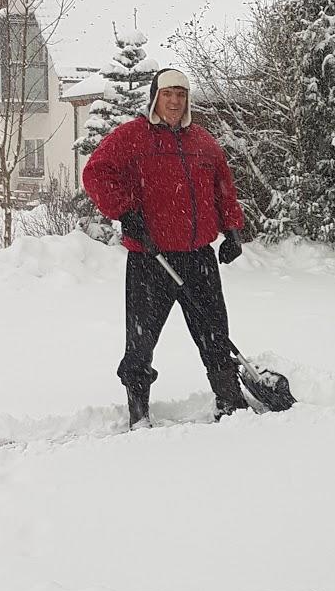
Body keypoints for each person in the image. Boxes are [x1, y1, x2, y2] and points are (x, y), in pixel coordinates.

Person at [82, 67, 248, 428]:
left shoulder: (202, 142)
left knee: (215, 334)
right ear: (155, 96)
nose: (175, 101)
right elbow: (95, 173)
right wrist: (126, 211)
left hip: (198, 257)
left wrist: (232, 230)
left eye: (181, 95)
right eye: (168, 93)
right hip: (150, 258)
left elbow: (223, 187)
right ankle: (139, 412)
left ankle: (230, 400)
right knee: (140, 343)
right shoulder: (131, 137)